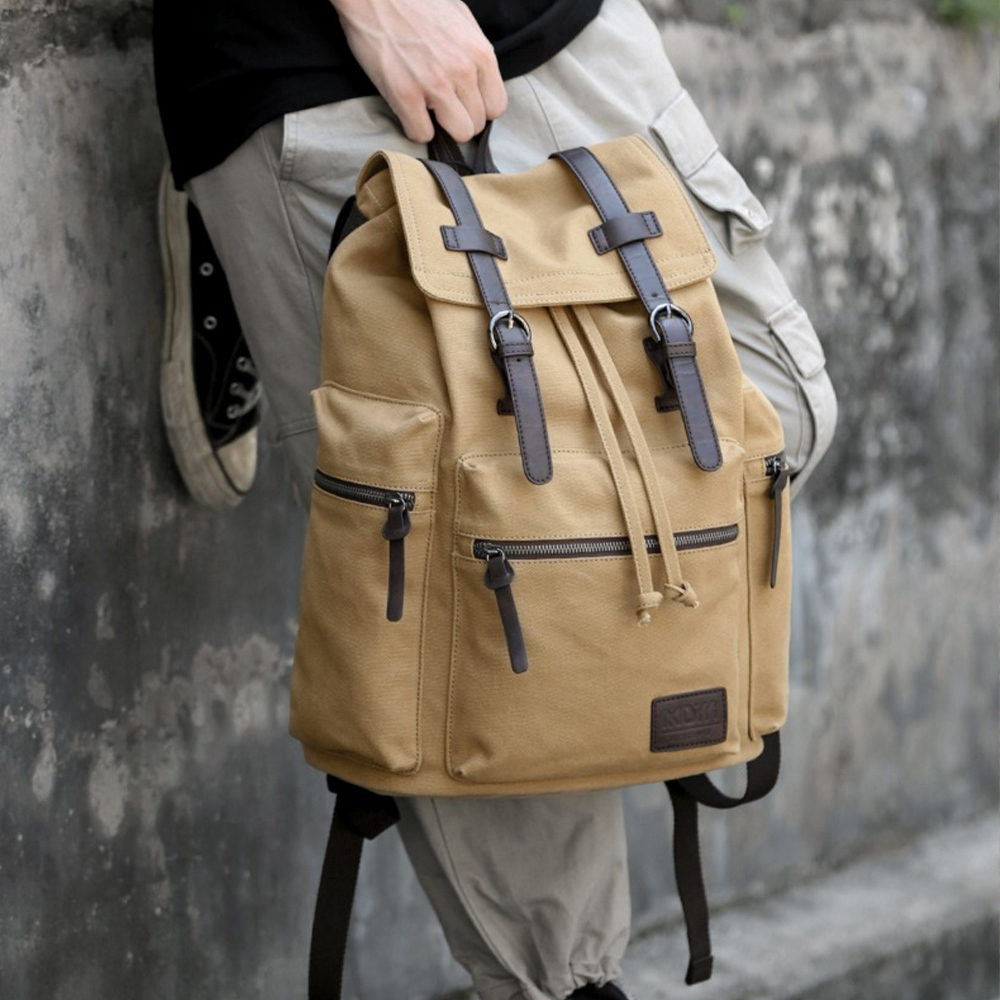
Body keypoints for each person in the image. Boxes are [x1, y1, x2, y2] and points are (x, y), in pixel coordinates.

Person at [152, 2, 837, 998]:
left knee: (774, 421)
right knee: (481, 544)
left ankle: (230, 232)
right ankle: (563, 975)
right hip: (316, 64)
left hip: (560, 28)